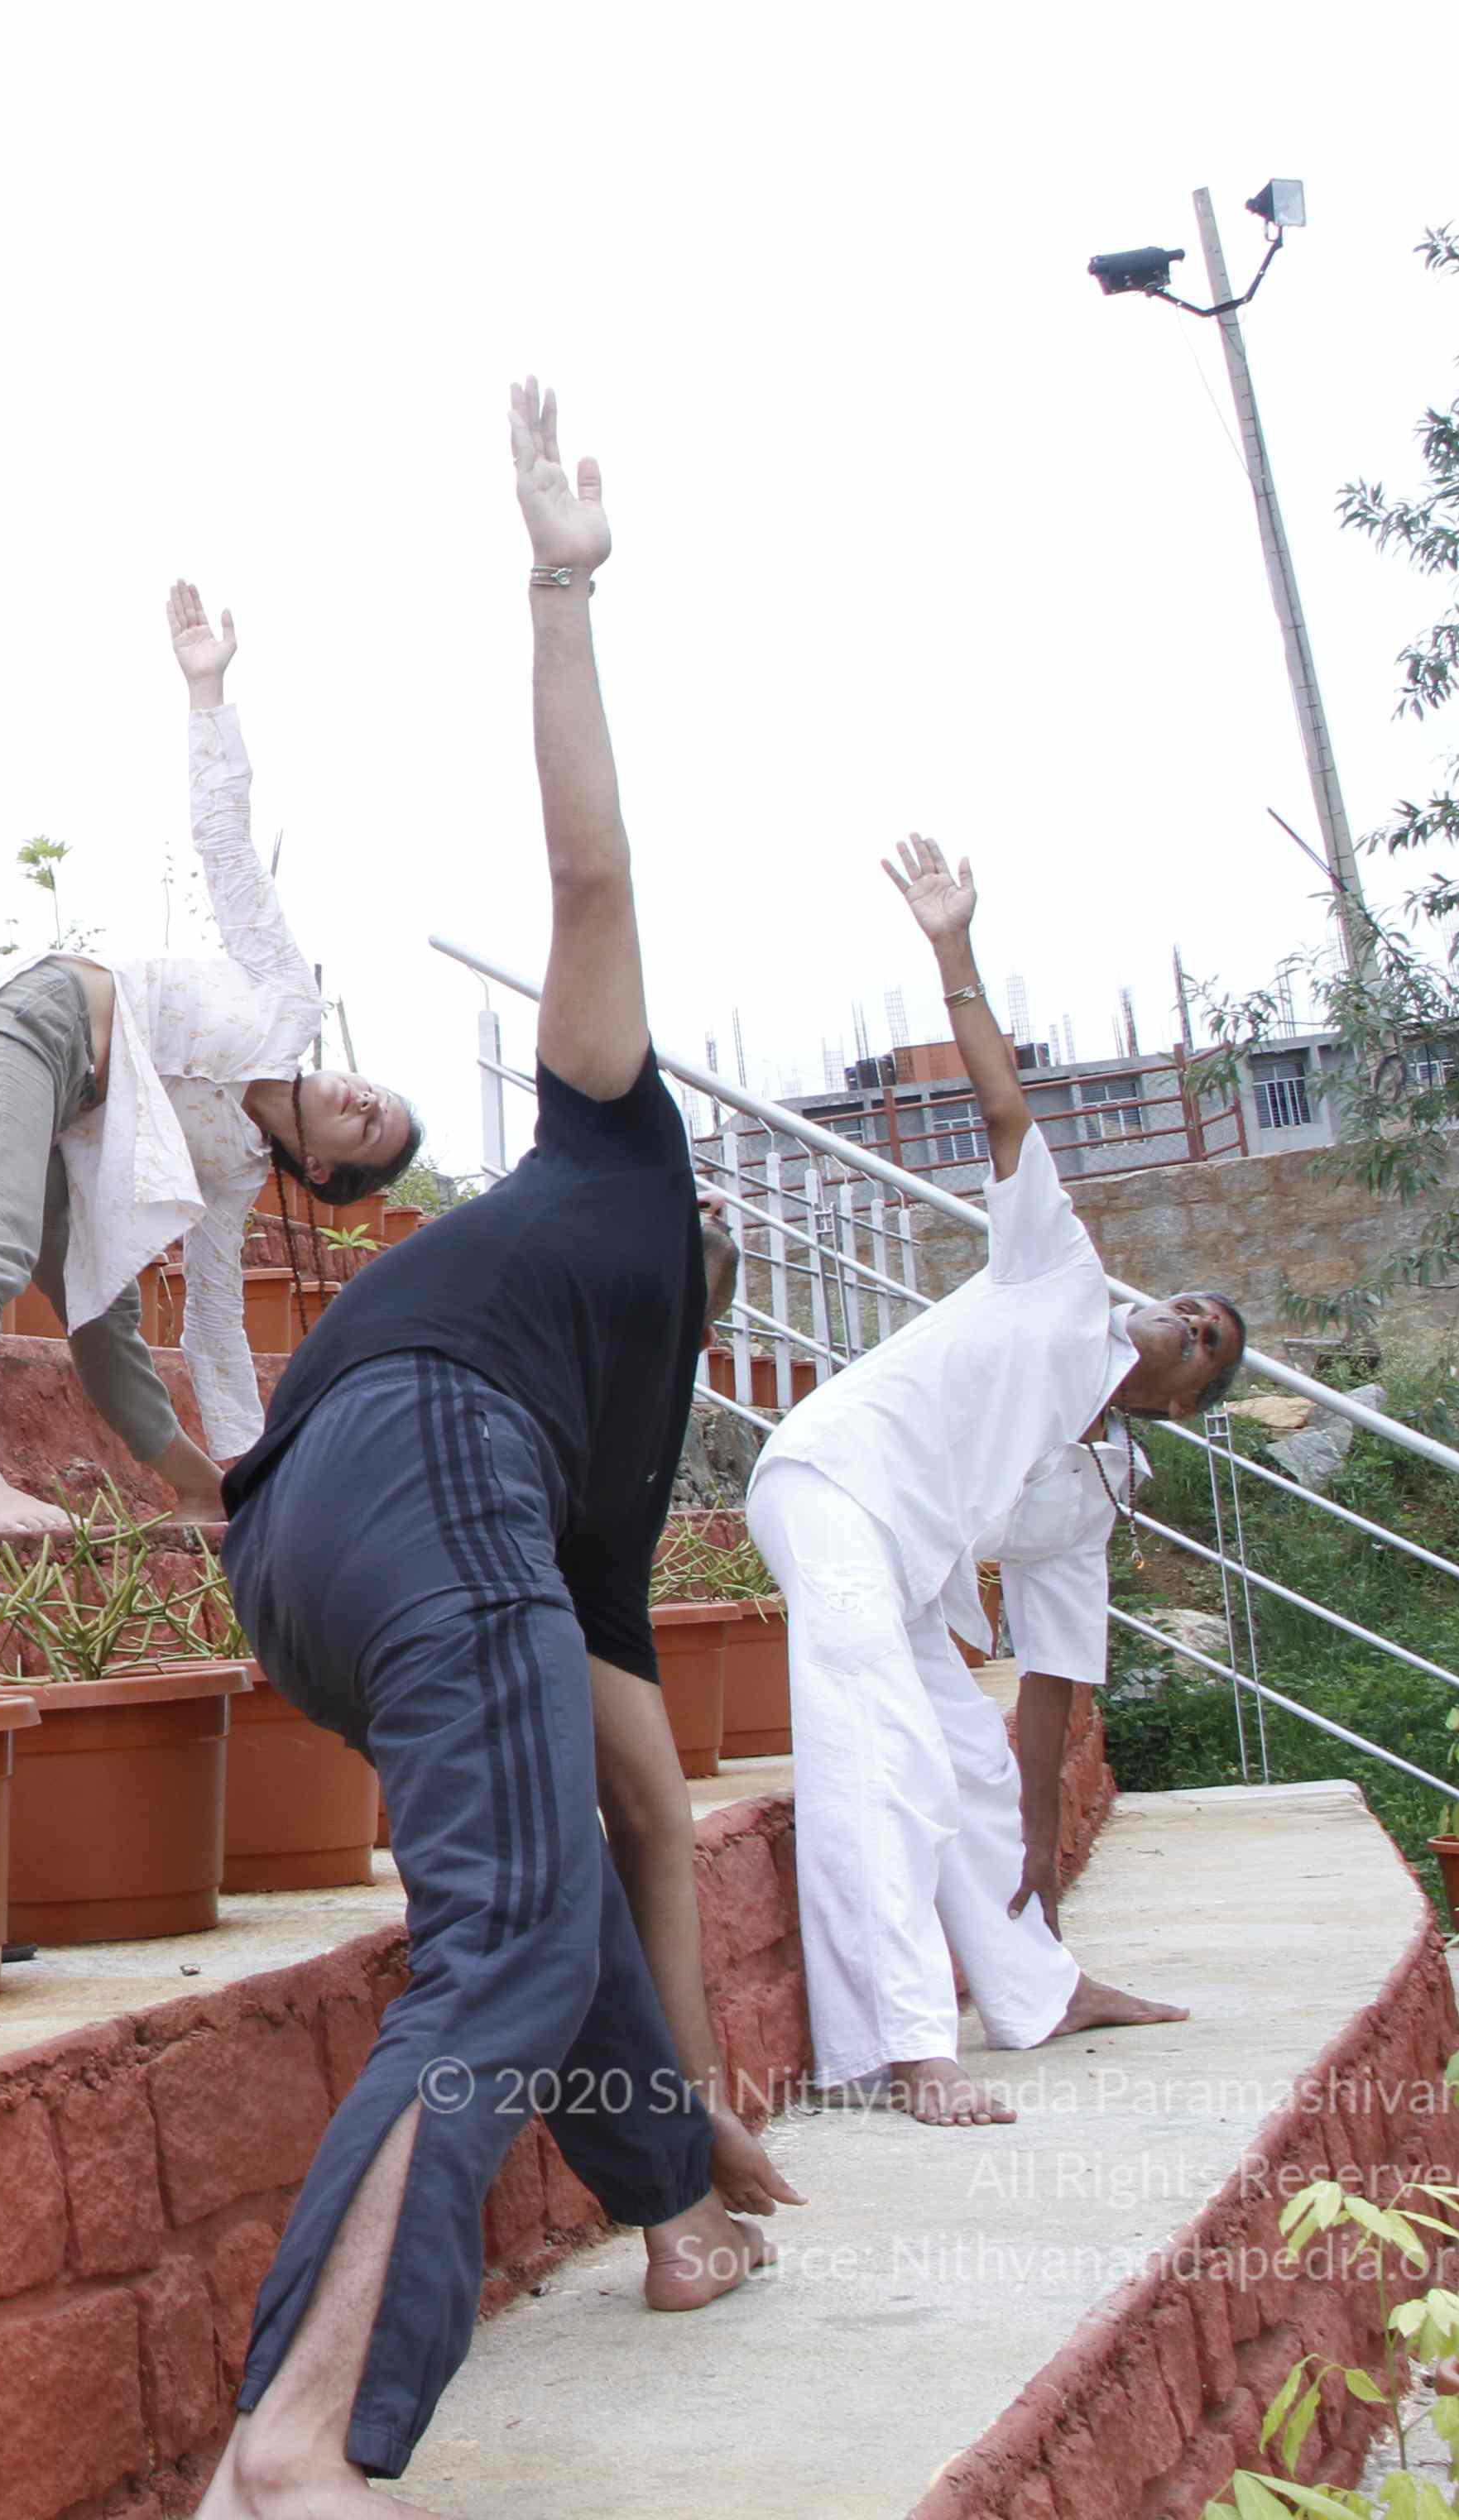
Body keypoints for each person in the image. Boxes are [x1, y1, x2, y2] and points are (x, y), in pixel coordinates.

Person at [202, 384, 794, 2520]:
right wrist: (560, 590)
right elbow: (592, 865)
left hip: (306, 1552)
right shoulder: (613, 1147)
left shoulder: (616, 1463)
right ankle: (305, 2434)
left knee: (536, 1883)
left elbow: (633, 1807)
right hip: (408, 1465)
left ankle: (665, 2208)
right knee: (501, 1937)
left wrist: (686, 2155)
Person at [746, 836, 1221, 2124]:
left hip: (901, 1562)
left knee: (963, 1761)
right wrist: (950, 947)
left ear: (1183, 1401)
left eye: (1207, 1337)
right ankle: (902, 2048)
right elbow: (1006, 1110)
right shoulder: (1056, 1275)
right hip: (832, 1480)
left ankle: (1036, 1990)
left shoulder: (1101, 1485)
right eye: (1185, 1303)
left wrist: (1038, 1842)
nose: (1185, 1315)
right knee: (882, 1746)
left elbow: (1056, 1677)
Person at [0, 583, 418, 1538]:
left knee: (103, 1309)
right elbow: (225, 843)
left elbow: (216, 1327)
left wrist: (254, 1466)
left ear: (327, 1168)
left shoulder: (229, 1182)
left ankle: (203, 1486)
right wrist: (207, 692)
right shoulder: (287, 998)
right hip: (27, 1024)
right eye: (374, 1090)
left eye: (369, 1122)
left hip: (63, 1119)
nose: (360, 1095)